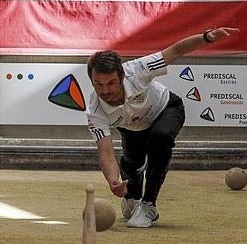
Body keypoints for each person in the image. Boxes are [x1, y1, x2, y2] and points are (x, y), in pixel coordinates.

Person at [86, 27, 239, 228]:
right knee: (132, 163)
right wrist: (113, 181)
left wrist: (206, 36)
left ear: (122, 76)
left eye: (111, 83)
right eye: (98, 84)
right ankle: (132, 196)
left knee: (160, 138)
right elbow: (105, 152)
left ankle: (149, 205)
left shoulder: (138, 70)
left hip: (166, 109)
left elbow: (175, 50)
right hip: (132, 128)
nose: (105, 90)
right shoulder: (95, 110)